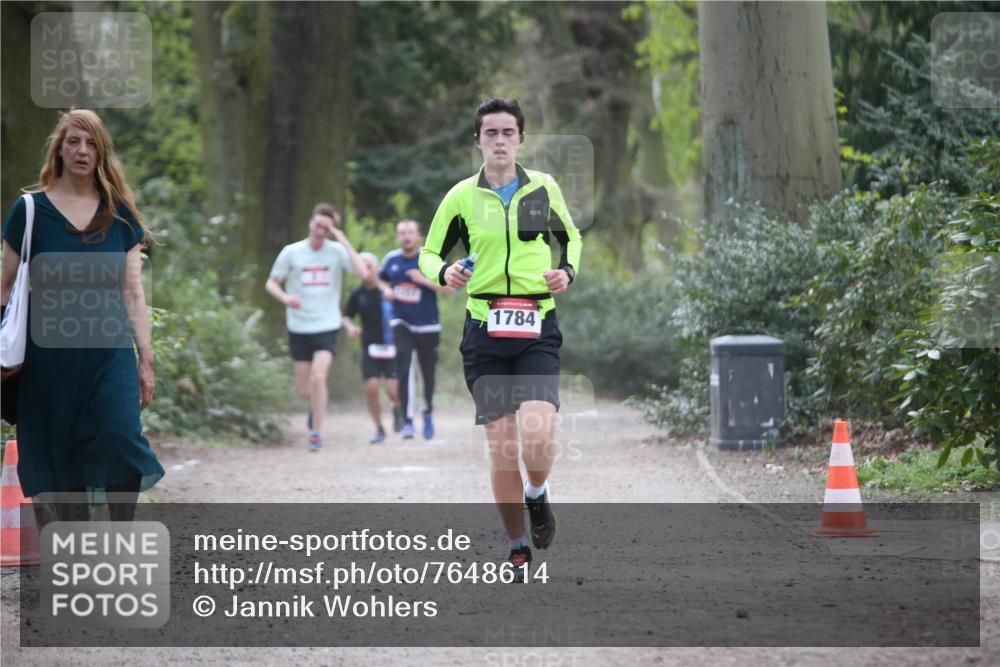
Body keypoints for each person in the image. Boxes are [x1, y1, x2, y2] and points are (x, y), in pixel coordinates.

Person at [419, 97, 582, 574]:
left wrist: (567, 272)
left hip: (536, 326)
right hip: (484, 331)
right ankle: (517, 545)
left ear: (521, 139)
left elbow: (570, 238)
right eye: (490, 133)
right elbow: (429, 253)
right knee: (503, 446)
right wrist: (445, 272)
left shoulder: (544, 188)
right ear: (478, 140)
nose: (500, 141)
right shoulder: (461, 197)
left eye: (508, 132)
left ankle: (537, 493)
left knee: (538, 435)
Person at [0, 109, 164, 522]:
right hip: (47, 357)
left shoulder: (119, 215)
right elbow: (5, 285)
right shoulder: (29, 210)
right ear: (59, 149)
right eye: (73, 141)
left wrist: (146, 359)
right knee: (62, 453)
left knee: (121, 436)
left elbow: (133, 292)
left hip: (110, 353)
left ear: (102, 153)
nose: (82, 150)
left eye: (91, 143)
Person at [266, 203, 368, 452]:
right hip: (299, 325)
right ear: (310, 223)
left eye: (327, 228)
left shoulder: (336, 251)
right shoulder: (292, 252)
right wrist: (285, 298)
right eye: (318, 225)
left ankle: (316, 433)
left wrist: (343, 240)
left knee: (319, 376)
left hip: (327, 324)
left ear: (332, 230)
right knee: (304, 389)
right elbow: (271, 283)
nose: (321, 231)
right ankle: (315, 407)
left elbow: (363, 274)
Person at [379, 219, 455, 440]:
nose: (406, 236)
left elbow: (451, 288)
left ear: (419, 235)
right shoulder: (391, 259)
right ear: (397, 236)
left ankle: (427, 410)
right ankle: (407, 420)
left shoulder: (430, 259)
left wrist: (422, 280)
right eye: (402, 233)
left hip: (428, 325)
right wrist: (386, 290)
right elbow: (379, 279)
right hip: (401, 322)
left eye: (410, 232)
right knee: (403, 368)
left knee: (427, 374)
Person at [342, 252, 401, 444]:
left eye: (369, 266)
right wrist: (351, 328)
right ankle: (379, 428)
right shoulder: (357, 293)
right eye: (361, 266)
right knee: (372, 388)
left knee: (392, 390)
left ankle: (398, 408)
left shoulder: (388, 290)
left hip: (392, 346)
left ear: (377, 268)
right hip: (370, 347)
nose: (365, 270)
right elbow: (346, 316)